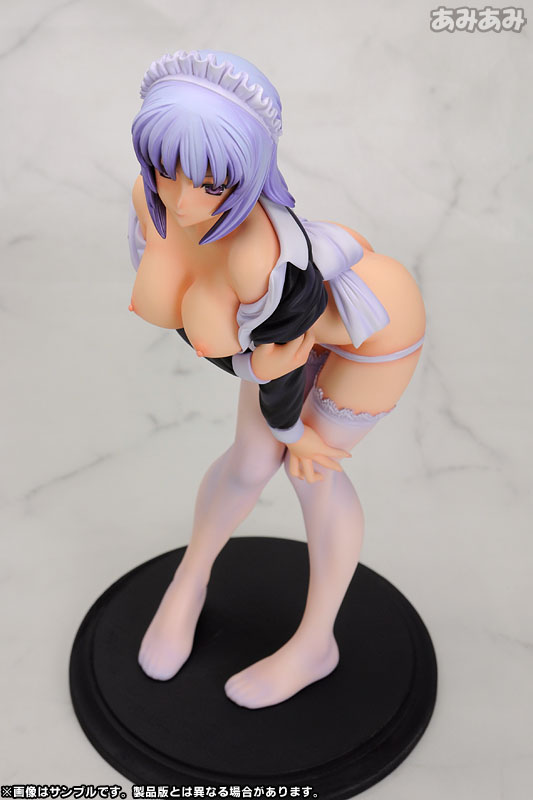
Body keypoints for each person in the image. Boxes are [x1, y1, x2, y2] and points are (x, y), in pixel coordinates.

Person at [128, 49, 426, 709]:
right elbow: (204, 323)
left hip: (373, 334)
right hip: (279, 338)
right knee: (247, 461)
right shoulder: (154, 203)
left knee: (308, 472)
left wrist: (297, 434)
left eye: (210, 183)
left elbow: (278, 373)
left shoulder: (263, 261)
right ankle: (189, 580)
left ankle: (316, 643)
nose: (182, 200)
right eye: (166, 170)